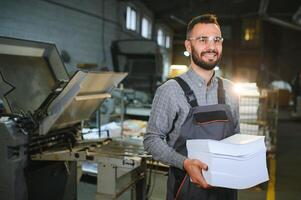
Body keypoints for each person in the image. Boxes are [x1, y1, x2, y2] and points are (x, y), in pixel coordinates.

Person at [143, 14, 240, 200]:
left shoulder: (230, 89)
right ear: (188, 45)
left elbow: (235, 136)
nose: (211, 47)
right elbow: (152, 139)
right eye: (203, 40)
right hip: (186, 188)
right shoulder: (170, 91)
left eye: (216, 40)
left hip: (226, 188)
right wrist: (184, 163)